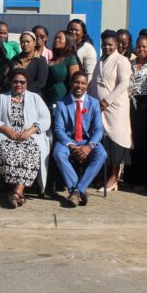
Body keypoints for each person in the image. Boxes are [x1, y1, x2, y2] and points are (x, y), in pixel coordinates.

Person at [0, 69, 51, 208]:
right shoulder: (2, 98)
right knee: (5, 150)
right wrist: (7, 129)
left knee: (32, 151)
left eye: (22, 82)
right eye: (15, 81)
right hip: (7, 137)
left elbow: (46, 119)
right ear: (11, 82)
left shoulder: (35, 98)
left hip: (30, 137)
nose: (19, 84)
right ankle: (19, 194)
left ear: (27, 83)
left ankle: (16, 192)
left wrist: (31, 130)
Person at [53, 71, 108, 207]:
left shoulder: (94, 103)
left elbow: (98, 129)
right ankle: (80, 192)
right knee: (58, 153)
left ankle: (76, 191)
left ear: (87, 86)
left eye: (83, 83)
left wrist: (89, 146)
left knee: (102, 154)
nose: (79, 86)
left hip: (87, 140)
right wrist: (71, 145)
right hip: (68, 141)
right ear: (71, 84)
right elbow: (58, 129)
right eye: (77, 82)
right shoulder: (61, 103)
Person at [88, 30, 132, 192]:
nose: (106, 47)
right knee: (103, 142)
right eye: (104, 44)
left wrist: (108, 100)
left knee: (116, 142)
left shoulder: (122, 61)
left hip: (115, 108)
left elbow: (124, 83)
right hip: (99, 108)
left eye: (110, 44)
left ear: (116, 45)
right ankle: (103, 176)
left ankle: (114, 178)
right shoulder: (100, 61)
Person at [123, 36, 147, 191]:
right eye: (139, 47)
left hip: (146, 107)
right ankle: (129, 178)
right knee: (131, 142)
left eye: (144, 47)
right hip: (129, 106)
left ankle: (141, 180)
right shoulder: (129, 64)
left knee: (144, 145)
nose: (141, 49)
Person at [43, 30, 80, 108]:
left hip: (62, 100)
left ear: (68, 41)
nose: (56, 40)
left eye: (60, 38)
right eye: (55, 38)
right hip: (47, 98)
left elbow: (75, 81)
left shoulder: (70, 59)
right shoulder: (52, 60)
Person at [12, 31, 48, 95]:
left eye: (28, 42)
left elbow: (41, 82)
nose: (25, 44)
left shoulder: (41, 60)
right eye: (23, 42)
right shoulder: (15, 59)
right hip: (14, 95)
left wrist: (23, 90)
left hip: (33, 95)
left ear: (34, 43)